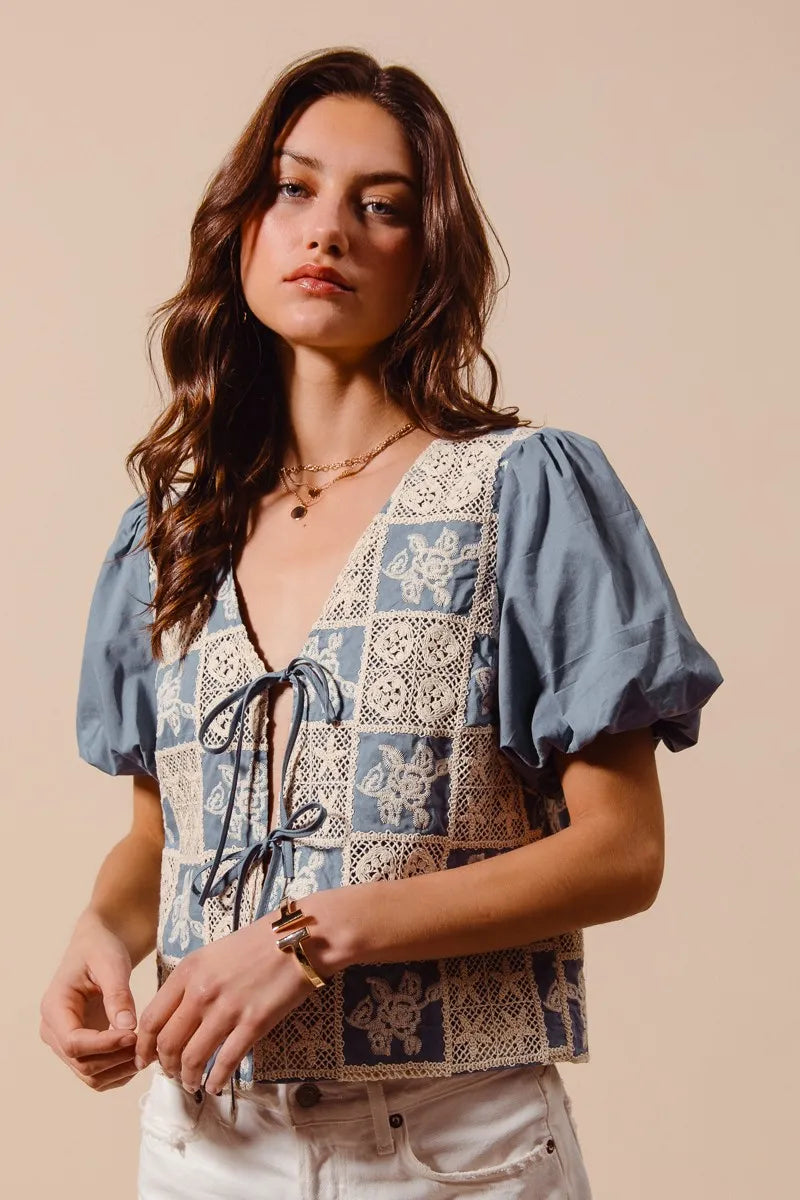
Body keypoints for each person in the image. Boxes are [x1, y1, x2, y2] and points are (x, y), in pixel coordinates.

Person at [40, 47, 724, 1200]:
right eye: (292, 189)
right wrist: (100, 933)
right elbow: (157, 837)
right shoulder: (171, 524)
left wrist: (309, 936)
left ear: (428, 252)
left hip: (449, 1149)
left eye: (381, 206)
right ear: (241, 227)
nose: (328, 230)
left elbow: (622, 850)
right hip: (202, 1147)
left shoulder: (520, 493)